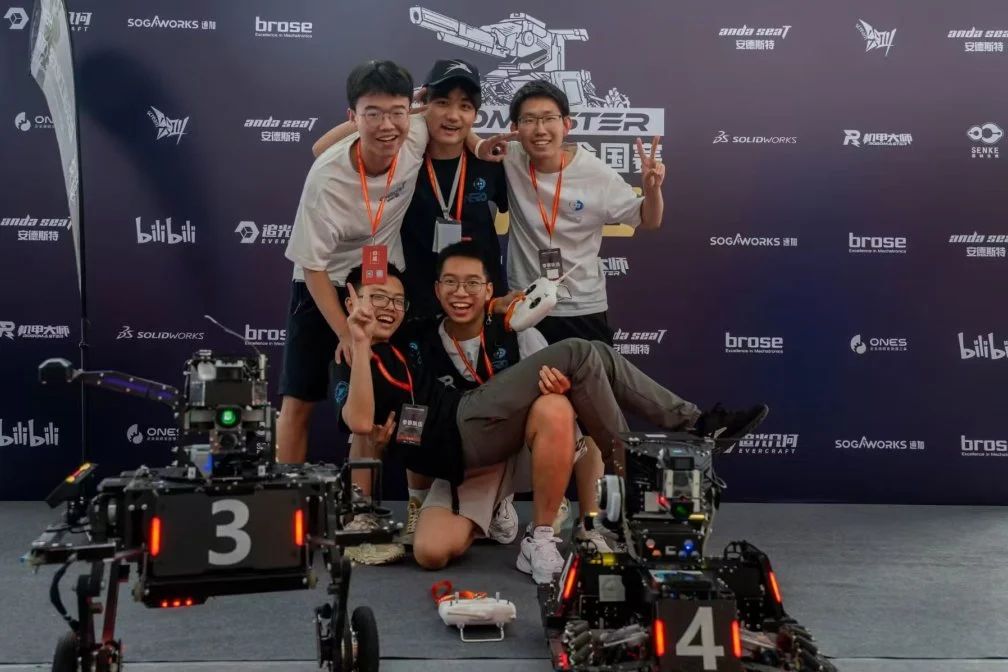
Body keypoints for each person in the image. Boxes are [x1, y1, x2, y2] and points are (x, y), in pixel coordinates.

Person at [332, 265, 768, 583]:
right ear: (352, 302)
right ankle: (662, 449)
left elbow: (464, 309)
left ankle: (676, 439)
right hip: (459, 447)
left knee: (583, 361)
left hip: (476, 423)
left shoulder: (412, 334)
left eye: (395, 300)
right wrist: (358, 340)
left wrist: (499, 303)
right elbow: (360, 420)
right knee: (430, 553)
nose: (387, 308)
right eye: (376, 298)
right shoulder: (351, 355)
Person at [310, 60, 515, 538]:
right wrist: (411, 110)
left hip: (475, 305)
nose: (452, 115)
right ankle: (408, 506)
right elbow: (322, 149)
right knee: (402, 405)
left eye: (465, 106)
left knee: (490, 398)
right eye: (441, 102)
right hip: (412, 307)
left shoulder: (489, 161)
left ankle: (498, 496)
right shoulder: (402, 148)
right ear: (423, 105)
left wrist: (476, 142)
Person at [404, 241, 613, 571]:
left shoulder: (517, 332)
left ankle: (541, 537)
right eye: (451, 282)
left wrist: (559, 390)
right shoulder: (420, 341)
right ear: (437, 289)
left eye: (472, 283)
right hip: (471, 461)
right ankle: (494, 506)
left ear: (489, 290)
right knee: (430, 552)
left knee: (555, 405)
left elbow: (566, 401)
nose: (461, 292)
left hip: (521, 450)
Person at [277, 59, 426, 466]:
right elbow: (312, 267)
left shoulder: (414, 133)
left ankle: (370, 497)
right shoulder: (325, 180)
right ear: (352, 117)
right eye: (372, 114)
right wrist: (345, 332)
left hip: (382, 281)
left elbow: (451, 117)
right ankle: (285, 496)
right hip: (324, 283)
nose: (387, 126)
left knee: (384, 398)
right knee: (299, 400)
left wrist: (479, 145)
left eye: (397, 112)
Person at [501, 80, 664, 345]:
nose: (540, 129)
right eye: (529, 120)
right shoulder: (509, 157)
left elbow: (649, 219)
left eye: (549, 118)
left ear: (567, 124)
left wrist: (652, 189)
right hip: (525, 304)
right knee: (526, 374)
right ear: (515, 129)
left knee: (589, 373)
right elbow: (466, 138)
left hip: (582, 305)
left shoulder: (596, 173)